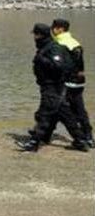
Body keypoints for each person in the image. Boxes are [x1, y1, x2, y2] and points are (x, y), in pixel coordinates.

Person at [17, 23, 88, 152]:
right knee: (65, 115)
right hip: (48, 86)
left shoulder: (53, 48)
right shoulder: (45, 47)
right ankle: (80, 140)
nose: (34, 37)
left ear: (41, 35)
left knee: (45, 114)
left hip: (54, 87)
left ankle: (34, 143)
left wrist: (42, 60)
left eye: (36, 34)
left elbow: (59, 66)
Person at [49, 18, 93, 147]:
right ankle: (88, 136)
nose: (52, 30)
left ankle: (80, 138)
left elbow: (60, 65)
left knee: (60, 108)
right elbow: (79, 64)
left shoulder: (60, 43)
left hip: (67, 82)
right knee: (78, 109)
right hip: (79, 81)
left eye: (54, 28)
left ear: (60, 29)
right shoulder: (74, 42)